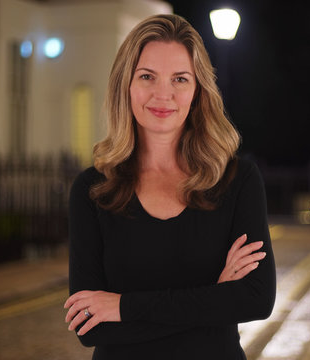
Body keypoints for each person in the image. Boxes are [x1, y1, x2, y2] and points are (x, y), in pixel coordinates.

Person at [64, 13, 276, 360]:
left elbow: (255, 299)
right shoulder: (93, 190)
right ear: (125, 85)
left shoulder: (237, 180)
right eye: (147, 76)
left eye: (180, 79)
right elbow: (92, 327)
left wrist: (122, 306)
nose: (163, 94)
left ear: (197, 91)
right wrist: (213, 296)